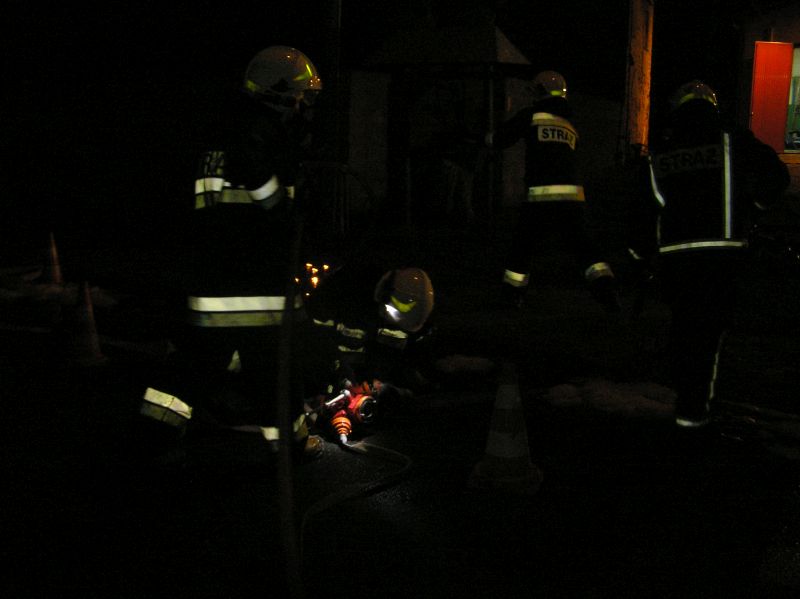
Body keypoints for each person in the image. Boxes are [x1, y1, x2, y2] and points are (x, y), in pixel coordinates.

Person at [139, 46, 330, 460]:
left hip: (216, 278)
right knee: (275, 369)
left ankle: (153, 438)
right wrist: (289, 209)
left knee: (194, 365)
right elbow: (265, 196)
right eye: (299, 96)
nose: (302, 107)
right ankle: (291, 445)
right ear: (277, 94)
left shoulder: (226, 132)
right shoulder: (256, 136)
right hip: (255, 280)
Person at [630, 80, 790, 429]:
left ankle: (686, 401)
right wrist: (753, 207)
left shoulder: (662, 152)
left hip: (676, 258)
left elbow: (646, 208)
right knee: (707, 334)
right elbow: (777, 177)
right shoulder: (733, 140)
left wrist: (639, 256)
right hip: (722, 256)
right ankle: (693, 413)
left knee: (685, 327)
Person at [486, 70, 619, 311]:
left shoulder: (532, 116)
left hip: (541, 199)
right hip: (574, 201)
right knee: (585, 248)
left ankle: (511, 297)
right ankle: (607, 291)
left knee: (522, 248)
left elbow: (501, 139)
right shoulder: (570, 126)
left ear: (540, 91)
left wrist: (483, 138)